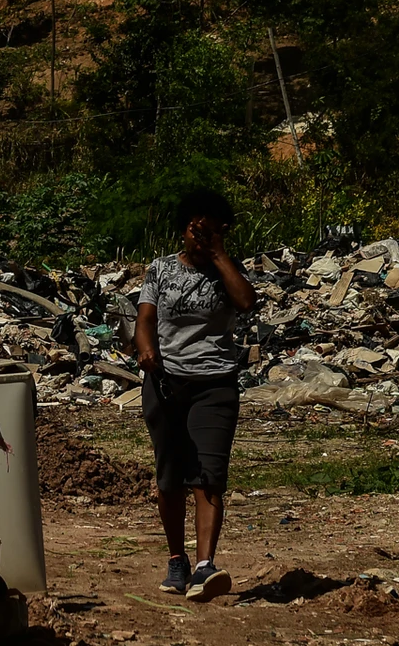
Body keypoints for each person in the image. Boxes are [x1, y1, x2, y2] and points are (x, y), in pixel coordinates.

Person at [134, 188, 256, 602]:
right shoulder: (161, 269)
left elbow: (246, 302)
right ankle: (177, 560)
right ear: (182, 230)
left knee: (208, 476)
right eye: (193, 229)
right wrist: (146, 350)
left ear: (221, 232)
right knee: (170, 479)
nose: (197, 238)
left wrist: (219, 256)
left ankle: (205, 565)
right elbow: (145, 320)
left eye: (207, 231)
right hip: (165, 382)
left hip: (215, 384)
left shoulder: (229, 271)